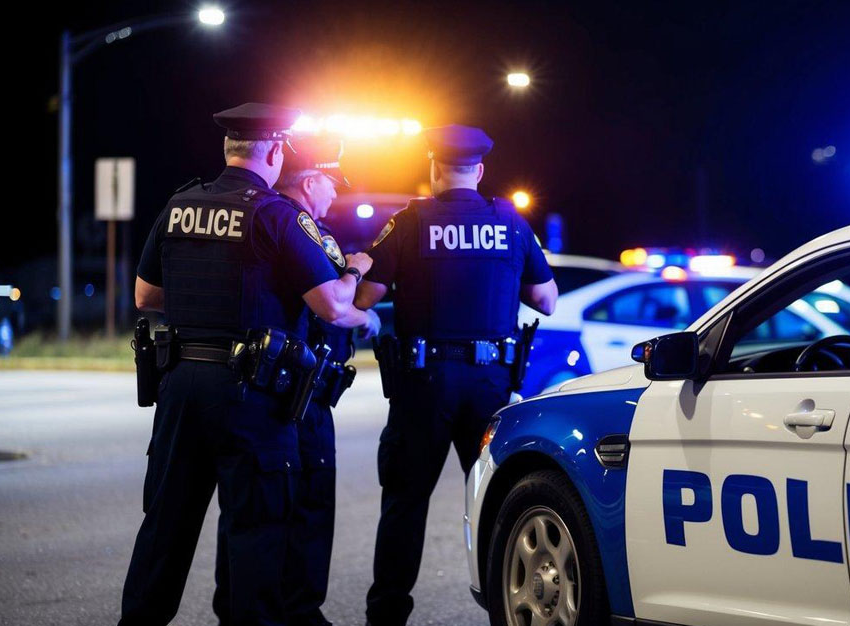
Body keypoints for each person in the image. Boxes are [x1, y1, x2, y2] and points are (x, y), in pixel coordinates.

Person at [123, 103, 376, 626]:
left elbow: (146, 296)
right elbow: (330, 305)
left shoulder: (179, 205)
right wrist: (353, 275)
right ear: (277, 152)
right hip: (251, 396)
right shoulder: (275, 215)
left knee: (165, 528)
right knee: (255, 532)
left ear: (228, 147)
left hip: (180, 386)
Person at [355, 124, 558, 625]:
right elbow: (546, 299)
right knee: (495, 499)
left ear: (432, 166)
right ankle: (504, 610)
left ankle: (386, 617)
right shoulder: (510, 222)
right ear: (481, 171)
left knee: (404, 503)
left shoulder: (408, 221)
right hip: (490, 384)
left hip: (422, 383)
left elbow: (364, 298)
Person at [214, 133, 379, 626]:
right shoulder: (300, 227)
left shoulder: (264, 219)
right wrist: (358, 283)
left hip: (266, 385)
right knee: (302, 507)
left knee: (252, 513)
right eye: (332, 181)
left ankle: (250, 609)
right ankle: (299, 612)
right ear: (310, 181)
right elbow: (335, 307)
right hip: (299, 393)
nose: (335, 192)